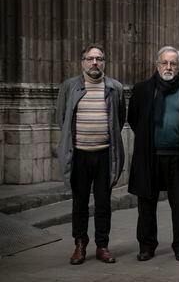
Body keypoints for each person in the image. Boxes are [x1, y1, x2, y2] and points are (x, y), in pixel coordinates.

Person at [128, 46, 179, 262]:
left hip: (178, 157)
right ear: (156, 65)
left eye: (173, 63)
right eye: (164, 63)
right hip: (149, 156)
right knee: (146, 203)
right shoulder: (142, 90)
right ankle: (147, 246)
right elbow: (134, 120)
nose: (168, 67)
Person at [56, 44, 126, 265]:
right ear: (83, 62)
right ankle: (80, 244)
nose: (95, 62)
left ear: (104, 62)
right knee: (80, 202)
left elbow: (119, 119)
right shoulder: (69, 87)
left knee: (104, 202)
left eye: (99, 58)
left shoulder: (115, 87)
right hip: (80, 156)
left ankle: (102, 246)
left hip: (104, 154)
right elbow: (62, 119)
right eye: (90, 58)